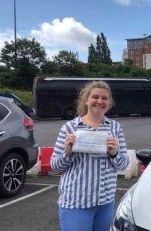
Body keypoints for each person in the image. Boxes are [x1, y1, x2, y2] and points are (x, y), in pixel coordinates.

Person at [50, 80, 130, 231]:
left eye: (104, 98)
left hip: (105, 202)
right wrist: (67, 152)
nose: (100, 101)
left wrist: (114, 153)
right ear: (86, 99)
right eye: (95, 97)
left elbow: (124, 164)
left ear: (109, 102)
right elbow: (54, 166)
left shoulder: (115, 128)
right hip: (76, 202)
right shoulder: (70, 127)